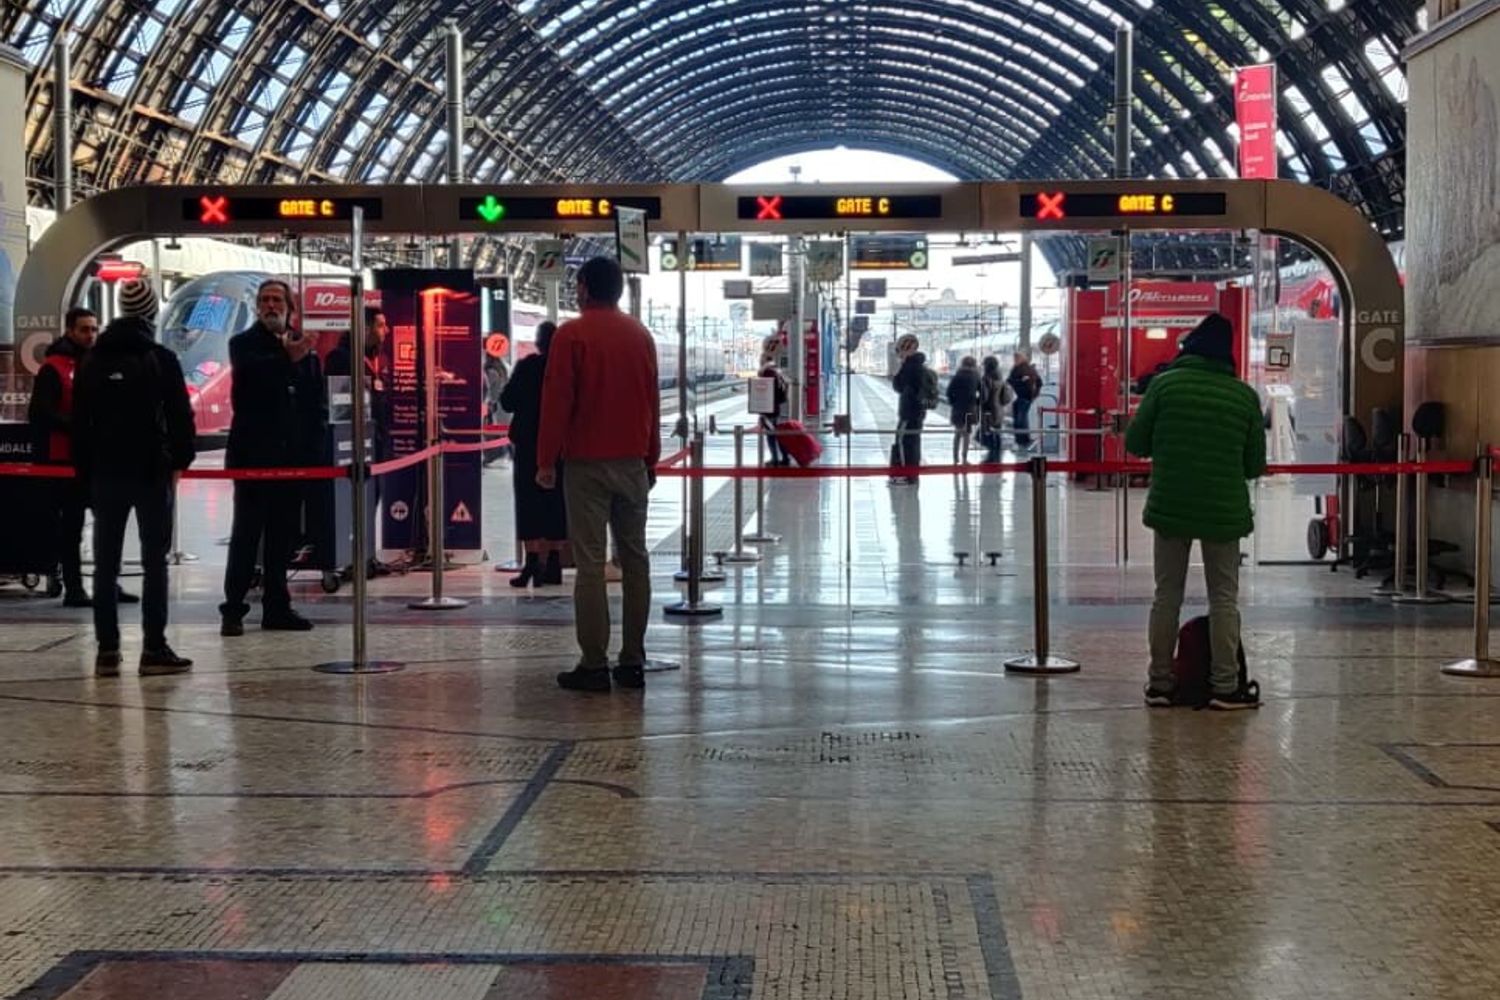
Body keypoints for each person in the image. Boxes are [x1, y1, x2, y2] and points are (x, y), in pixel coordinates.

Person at [1124, 313, 1266, 711]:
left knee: (1166, 595)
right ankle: (1225, 686)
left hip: (1171, 504)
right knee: (1224, 598)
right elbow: (1254, 465)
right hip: (1223, 509)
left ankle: (1160, 684)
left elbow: (1136, 443)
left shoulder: (1165, 386)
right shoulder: (1243, 396)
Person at [536, 256, 660, 693]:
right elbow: (652, 401)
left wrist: (546, 460)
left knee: (590, 564)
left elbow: (557, 401)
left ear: (586, 287)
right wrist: (651, 457)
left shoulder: (571, 335)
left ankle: (593, 664)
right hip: (632, 462)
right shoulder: (641, 335)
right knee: (635, 560)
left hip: (586, 466)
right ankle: (633, 661)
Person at [71, 279, 196, 676]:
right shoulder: (160, 358)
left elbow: (80, 424)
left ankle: (107, 652)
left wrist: (86, 475)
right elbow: (181, 417)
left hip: (106, 473)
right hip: (150, 472)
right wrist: (179, 461)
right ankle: (154, 648)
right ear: (151, 312)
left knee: (105, 563)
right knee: (154, 562)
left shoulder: (91, 360)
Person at [220, 279, 323, 636]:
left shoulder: (304, 346)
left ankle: (277, 607)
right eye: (264, 300)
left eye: (277, 300)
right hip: (252, 458)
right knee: (246, 535)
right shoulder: (243, 344)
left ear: (289, 307)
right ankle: (233, 609)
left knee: (282, 536)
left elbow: (314, 402)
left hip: (291, 460)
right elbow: (252, 382)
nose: (270, 306)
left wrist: (313, 452)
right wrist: (287, 358)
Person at [27, 306, 139, 607]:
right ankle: (74, 588)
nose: (90, 335)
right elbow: (40, 412)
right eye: (84, 329)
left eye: (94, 329)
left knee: (108, 523)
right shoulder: (54, 368)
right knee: (72, 527)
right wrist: (79, 427)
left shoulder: (100, 364)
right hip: (65, 460)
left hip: (97, 458)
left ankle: (108, 583)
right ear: (70, 331)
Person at [500, 321, 566, 588]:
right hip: (560, 445)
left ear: (538, 343)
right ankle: (553, 564)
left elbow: (507, 402)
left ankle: (531, 564)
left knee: (528, 503)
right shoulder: (565, 369)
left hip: (528, 445)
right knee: (556, 503)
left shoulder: (527, 366)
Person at [890, 334, 933, 486]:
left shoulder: (910, 366)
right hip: (917, 412)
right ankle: (912, 475)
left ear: (907, 349)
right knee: (913, 442)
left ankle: (904, 475)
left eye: (900, 350)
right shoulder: (918, 365)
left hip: (909, 412)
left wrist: (900, 367)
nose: (899, 354)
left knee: (903, 442)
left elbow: (898, 386)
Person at [758, 341, 790, 467]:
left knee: (771, 435)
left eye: (761, 358)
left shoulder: (767, 372)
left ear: (765, 359)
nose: (760, 360)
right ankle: (784, 458)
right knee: (778, 434)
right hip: (776, 406)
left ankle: (775, 459)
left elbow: (766, 390)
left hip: (769, 408)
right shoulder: (776, 370)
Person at [946, 355, 982, 465]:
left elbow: (949, 392)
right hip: (970, 408)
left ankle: (955, 458)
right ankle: (964, 458)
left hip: (958, 408)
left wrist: (954, 402)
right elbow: (982, 392)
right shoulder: (976, 376)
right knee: (966, 434)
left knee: (957, 433)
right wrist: (976, 402)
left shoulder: (957, 376)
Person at [1006, 349, 1043, 451]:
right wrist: (1035, 394)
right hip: (1023, 397)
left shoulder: (1023, 369)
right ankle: (1021, 440)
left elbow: (1038, 382)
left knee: (1020, 420)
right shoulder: (1024, 369)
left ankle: (1023, 441)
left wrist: (1033, 393)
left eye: (1017, 358)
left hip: (1024, 397)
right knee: (1019, 419)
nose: (1015, 360)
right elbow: (1010, 380)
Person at [978, 355, 1009, 463]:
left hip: (988, 410)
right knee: (996, 434)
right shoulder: (1000, 377)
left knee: (986, 434)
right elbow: (1006, 398)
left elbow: (984, 397)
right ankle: (996, 457)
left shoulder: (986, 379)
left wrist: (977, 400)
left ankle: (991, 457)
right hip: (999, 410)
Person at [483, 354, 511, 466]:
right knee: (500, 432)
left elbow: (490, 391)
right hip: (503, 406)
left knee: (492, 432)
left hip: (495, 406)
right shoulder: (503, 368)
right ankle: (502, 455)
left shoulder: (491, 372)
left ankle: (496, 456)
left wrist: (489, 402)